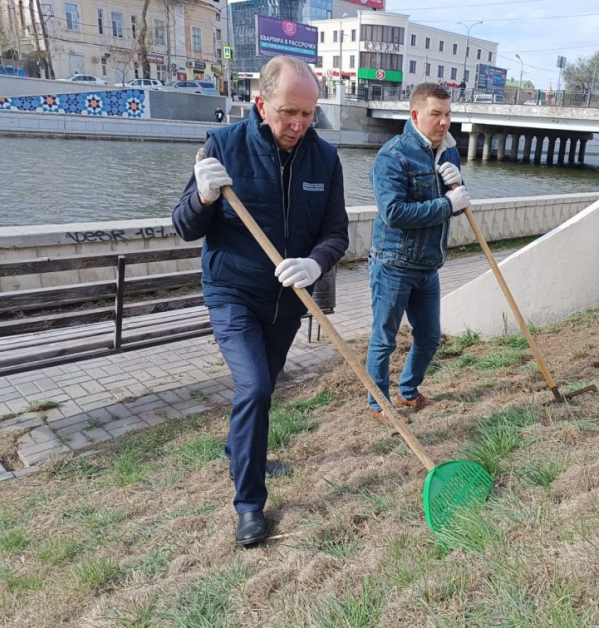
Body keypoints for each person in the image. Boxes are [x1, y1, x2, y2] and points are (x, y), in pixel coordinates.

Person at [172, 55, 349, 546]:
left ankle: (239, 446)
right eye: (288, 112)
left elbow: (337, 233)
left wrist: (314, 263)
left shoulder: (325, 159)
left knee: (266, 383)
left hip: (289, 297)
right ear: (260, 103)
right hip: (234, 291)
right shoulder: (223, 147)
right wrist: (203, 197)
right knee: (254, 387)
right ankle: (250, 504)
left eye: (308, 114)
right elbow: (186, 228)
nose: (298, 124)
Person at [365, 82, 470, 423]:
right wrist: (446, 203)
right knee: (384, 339)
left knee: (429, 336)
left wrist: (459, 188)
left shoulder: (449, 152)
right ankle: (379, 403)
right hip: (393, 264)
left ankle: (407, 392)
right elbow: (393, 213)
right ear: (415, 115)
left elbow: (457, 202)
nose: (443, 122)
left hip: (429, 265)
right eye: (435, 114)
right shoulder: (393, 155)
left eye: (448, 115)